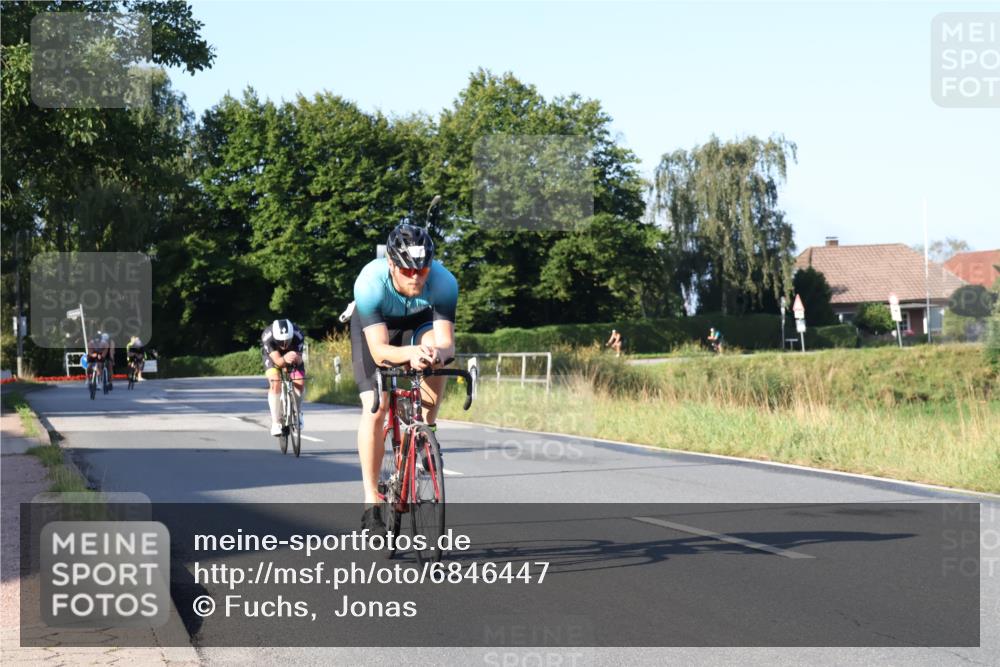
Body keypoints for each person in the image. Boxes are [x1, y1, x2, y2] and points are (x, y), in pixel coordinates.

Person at [350, 221, 458, 536]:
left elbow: (446, 343)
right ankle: (371, 502)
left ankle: (426, 433)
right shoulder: (370, 282)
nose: (415, 277)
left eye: (421, 271)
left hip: (419, 322)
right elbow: (381, 350)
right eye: (407, 271)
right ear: (391, 264)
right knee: (377, 405)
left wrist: (435, 354)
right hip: (377, 327)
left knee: (436, 359)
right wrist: (409, 356)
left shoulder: (444, 282)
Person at [261, 319, 306, 436]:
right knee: (275, 382)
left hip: (292, 354)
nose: (284, 344)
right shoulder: (268, 336)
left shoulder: (298, 334)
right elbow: (278, 362)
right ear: (276, 338)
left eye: (287, 341)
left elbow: (300, 360)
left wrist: (296, 357)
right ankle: (275, 422)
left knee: (299, 382)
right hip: (273, 356)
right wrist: (285, 359)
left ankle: (298, 412)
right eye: (281, 342)